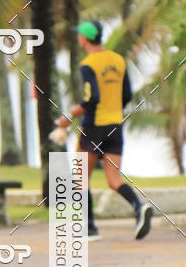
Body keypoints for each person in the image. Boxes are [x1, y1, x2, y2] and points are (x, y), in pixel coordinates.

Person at [55, 19, 152, 240]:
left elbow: (92, 98)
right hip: (115, 124)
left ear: (85, 38)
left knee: (80, 178)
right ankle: (139, 207)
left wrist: (68, 117)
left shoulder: (88, 64)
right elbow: (127, 94)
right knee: (113, 179)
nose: (78, 37)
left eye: (79, 34)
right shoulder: (118, 60)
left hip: (94, 126)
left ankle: (89, 228)